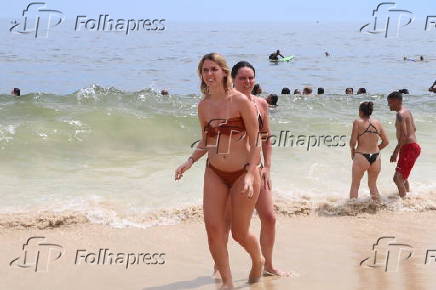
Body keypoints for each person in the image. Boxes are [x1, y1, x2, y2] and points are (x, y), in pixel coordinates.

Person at [175, 53, 263, 288]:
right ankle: (227, 283)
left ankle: (259, 259)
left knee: (239, 234)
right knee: (213, 230)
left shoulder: (241, 101)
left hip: (243, 173)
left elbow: (257, 141)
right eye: (205, 70)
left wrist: (250, 173)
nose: (209, 74)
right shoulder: (203, 106)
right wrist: (190, 161)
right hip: (214, 171)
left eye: (213, 69)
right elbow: (206, 141)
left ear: (224, 72)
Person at [229, 60, 288, 276]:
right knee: (230, 222)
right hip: (232, 170)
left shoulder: (261, 104)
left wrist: (267, 168)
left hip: (257, 169)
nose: (247, 82)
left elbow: (266, 138)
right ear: (233, 80)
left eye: (250, 77)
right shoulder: (227, 102)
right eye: (242, 78)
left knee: (269, 217)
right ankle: (220, 264)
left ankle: (268, 266)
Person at [349, 102, 389, 200]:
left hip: (361, 155)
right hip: (376, 157)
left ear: (361, 111)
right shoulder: (377, 123)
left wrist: (352, 151)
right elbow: (386, 142)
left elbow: (352, 142)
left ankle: (352, 208)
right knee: (372, 185)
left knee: (355, 185)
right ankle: (377, 206)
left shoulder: (357, 122)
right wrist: (376, 149)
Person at [387, 91, 421, 198]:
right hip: (410, 147)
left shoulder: (400, 114)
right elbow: (414, 128)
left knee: (398, 178)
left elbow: (404, 135)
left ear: (396, 101)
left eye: (390, 102)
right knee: (400, 178)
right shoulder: (407, 111)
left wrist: (395, 152)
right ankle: (408, 196)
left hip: (409, 148)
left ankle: (404, 202)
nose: (388, 105)